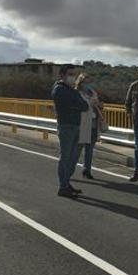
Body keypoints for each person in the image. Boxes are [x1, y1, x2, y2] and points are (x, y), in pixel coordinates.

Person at [52, 64, 88, 198]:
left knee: (73, 157)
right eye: (70, 74)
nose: (73, 77)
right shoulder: (59, 90)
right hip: (66, 126)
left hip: (75, 125)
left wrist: (76, 105)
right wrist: (77, 105)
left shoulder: (72, 90)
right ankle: (63, 187)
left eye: (74, 74)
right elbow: (69, 106)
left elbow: (84, 106)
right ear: (62, 75)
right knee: (66, 157)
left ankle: (66, 183)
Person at [76, 73, 107, 180]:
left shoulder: (93, 92)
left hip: (94, 122)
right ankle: (68, 170)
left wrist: (99, 105)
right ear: (80, 82)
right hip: (83, 123)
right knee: (78, 148)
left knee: (89, 149)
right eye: (85, 82)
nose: (87, 84)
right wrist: (90, 103)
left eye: (89, 82)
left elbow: (98, 105)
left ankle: (87, 170)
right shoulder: (77, 93)